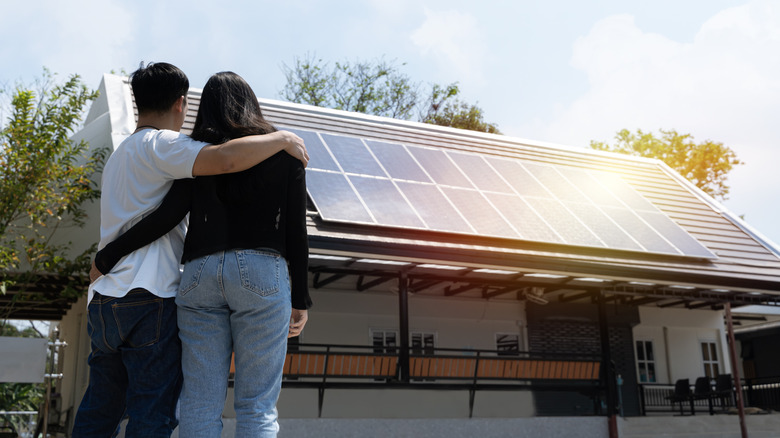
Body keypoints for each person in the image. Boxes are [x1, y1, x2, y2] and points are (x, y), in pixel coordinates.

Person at [73, 63, 308, 438]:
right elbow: (289, 221)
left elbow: (168, 213)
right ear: (180, 102)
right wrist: (282, 139)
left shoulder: (128, 155)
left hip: (136, 291)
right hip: (166, 290)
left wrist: (106, 257)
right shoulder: (177, 149)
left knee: (130, 405)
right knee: (248, 406)